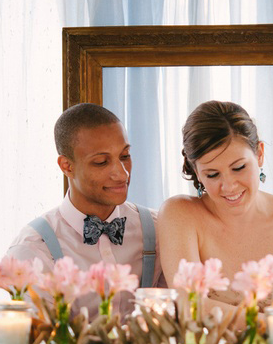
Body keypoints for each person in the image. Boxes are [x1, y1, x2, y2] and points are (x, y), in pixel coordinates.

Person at [158, 100, 273, 311]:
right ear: (196, 171)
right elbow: (188, 305)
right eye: (212, 174)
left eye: (238, 167)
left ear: (260, 154)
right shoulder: (180, 215)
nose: (228, 186)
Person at [8, 103, 164, 317]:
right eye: (101, 162)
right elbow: (36, 342)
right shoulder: (34, 250)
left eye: (125, 156)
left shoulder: (159, 230)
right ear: (67, 166)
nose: (122, 174)